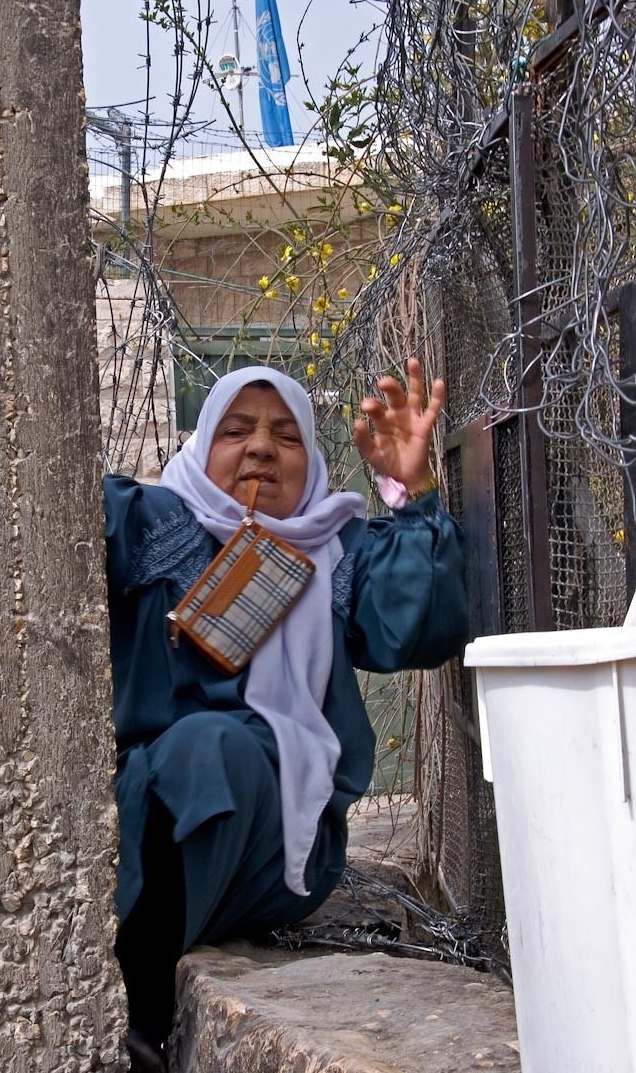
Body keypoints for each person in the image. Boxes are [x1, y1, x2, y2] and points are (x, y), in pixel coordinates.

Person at [104, 358, 468, 1072]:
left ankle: (140, 1018)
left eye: (286, 436)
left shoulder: (339, 550)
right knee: (197, 750)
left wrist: (408, 489)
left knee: (219, 746)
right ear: (201, 445)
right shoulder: (150, 520)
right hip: (146, 837)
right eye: (236, 430)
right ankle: (135, 1013)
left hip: (283, 855)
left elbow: (421, 625)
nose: (261, 449)